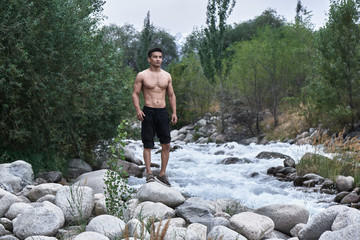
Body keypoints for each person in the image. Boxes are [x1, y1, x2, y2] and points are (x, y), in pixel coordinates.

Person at [132, 47, 177, 187]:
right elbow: (135, 93)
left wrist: (174, 112)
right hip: (148, 111)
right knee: (148, 144)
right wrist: (138, 109)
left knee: (166, 144)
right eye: (155, 57)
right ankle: (149, 174)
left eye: (160, 57)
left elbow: (171, 95)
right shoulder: (142, 75)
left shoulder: (167, 76)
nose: (158, 59)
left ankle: (162, 174)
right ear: (149, 59)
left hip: (162, 112)